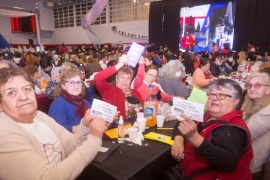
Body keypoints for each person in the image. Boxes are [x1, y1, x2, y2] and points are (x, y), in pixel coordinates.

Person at [0, 66, 108, 179]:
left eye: (27, 89)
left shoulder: (39, 116)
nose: (23, 97)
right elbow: (48, 177)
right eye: (11, 93)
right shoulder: (4, 132)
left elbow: (71, 145)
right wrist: (94, 139)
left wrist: (85, 124)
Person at [171, 79, 253, 179]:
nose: (214, 98)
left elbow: (229, 162)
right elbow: (181, 122)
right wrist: (178, 140)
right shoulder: (208, 115)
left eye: (222, 95)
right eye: (212, 94)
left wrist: (194, 137)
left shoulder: (232, 128)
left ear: (236, 101)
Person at [94, 54, 143, 120]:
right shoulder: (109, 90)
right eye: (122, 77)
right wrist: (118, 66)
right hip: (119, 127)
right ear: (116, 79)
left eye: (128, 78)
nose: (125, 81)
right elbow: (97, 78)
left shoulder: (135, 92)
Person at [242, 72, 270, 179]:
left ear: (268, 90)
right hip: (245, 158)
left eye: (258, 85)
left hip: (254, 163)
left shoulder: (268, 110)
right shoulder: (249, 104)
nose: (252, 88)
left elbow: (246, 135)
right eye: (249, 85)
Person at [48, 65, 91, 133]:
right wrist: (84, 126)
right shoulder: (58, 105)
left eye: (78, 82)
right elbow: (59, 131)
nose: (76, 86)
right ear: (63, 85)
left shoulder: (85, 103)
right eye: (71, 83)